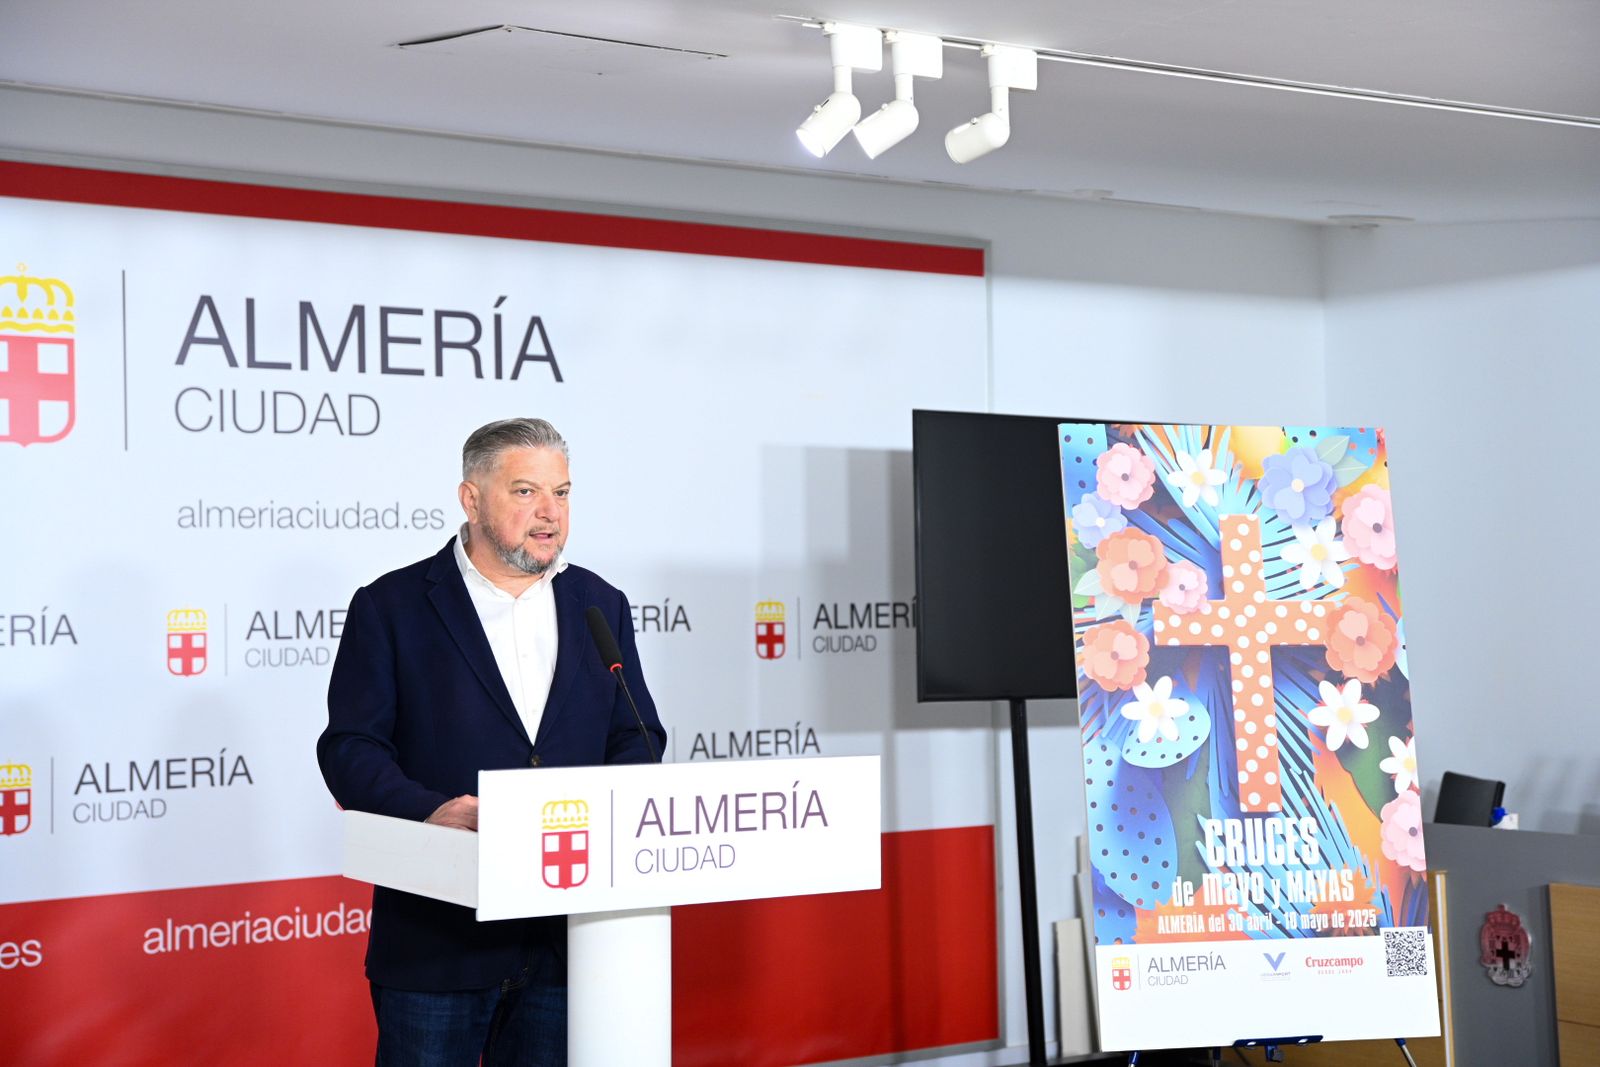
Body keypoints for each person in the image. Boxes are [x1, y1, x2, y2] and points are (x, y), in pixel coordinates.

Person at [318, 417, 666, 1067]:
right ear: (471, 499)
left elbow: (638, 733)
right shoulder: (391, 606)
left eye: (562, 493)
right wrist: (430, 810)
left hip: (567, 944)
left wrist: (608, 801)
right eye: (526, 491)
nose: (549, 513)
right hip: (437, 941)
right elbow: (350, 748)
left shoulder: (600, 603)